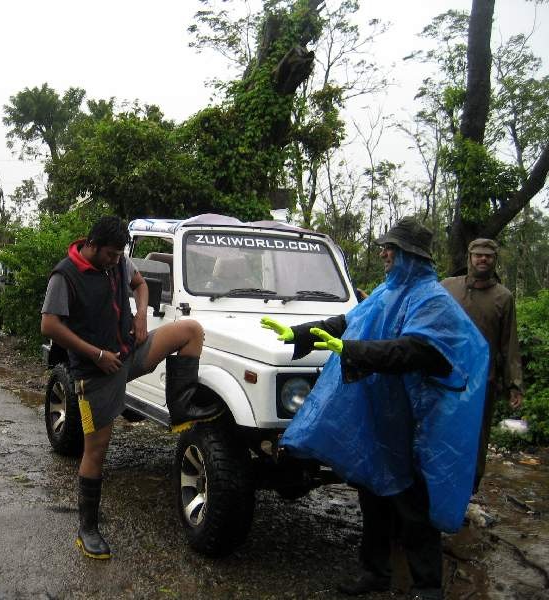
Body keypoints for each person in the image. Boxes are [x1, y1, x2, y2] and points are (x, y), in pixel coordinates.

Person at [261, 217, 488, 600]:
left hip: (412, 422)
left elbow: (416, 349)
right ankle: (375, 572)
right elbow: (348, 320)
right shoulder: (388, 292)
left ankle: (428, 587)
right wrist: (300, 333)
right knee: (373, 495)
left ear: (408, 256)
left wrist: (353, 350)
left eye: (391, 249)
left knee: (413, 508)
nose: (383, 252)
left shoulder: (431, 299)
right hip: (378, 416)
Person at [41, 215, 221, 560]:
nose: (115, 261)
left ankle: (181, 410)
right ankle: (87, 529)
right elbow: (49, 325)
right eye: (109, 254)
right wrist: (96, 354)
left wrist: (140, 315)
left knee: (190, 331)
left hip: (128, 353)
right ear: (91, 245)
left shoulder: (120, 262)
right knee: (96, 450)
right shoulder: (65, 275)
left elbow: (140, 285)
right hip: (96, 373)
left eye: (119, 255)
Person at [441, 239, 524, 493]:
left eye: (488, 256)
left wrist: (514, 385)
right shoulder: (447, 287)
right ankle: (436, 490)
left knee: (475, 440)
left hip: (482, 383)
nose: (483, 260)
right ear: (469, 257)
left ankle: (466, 492)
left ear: (494, 260)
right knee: (442, 433)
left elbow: (509, 344)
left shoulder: (503, 297)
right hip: (444, 376)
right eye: (478, 255)